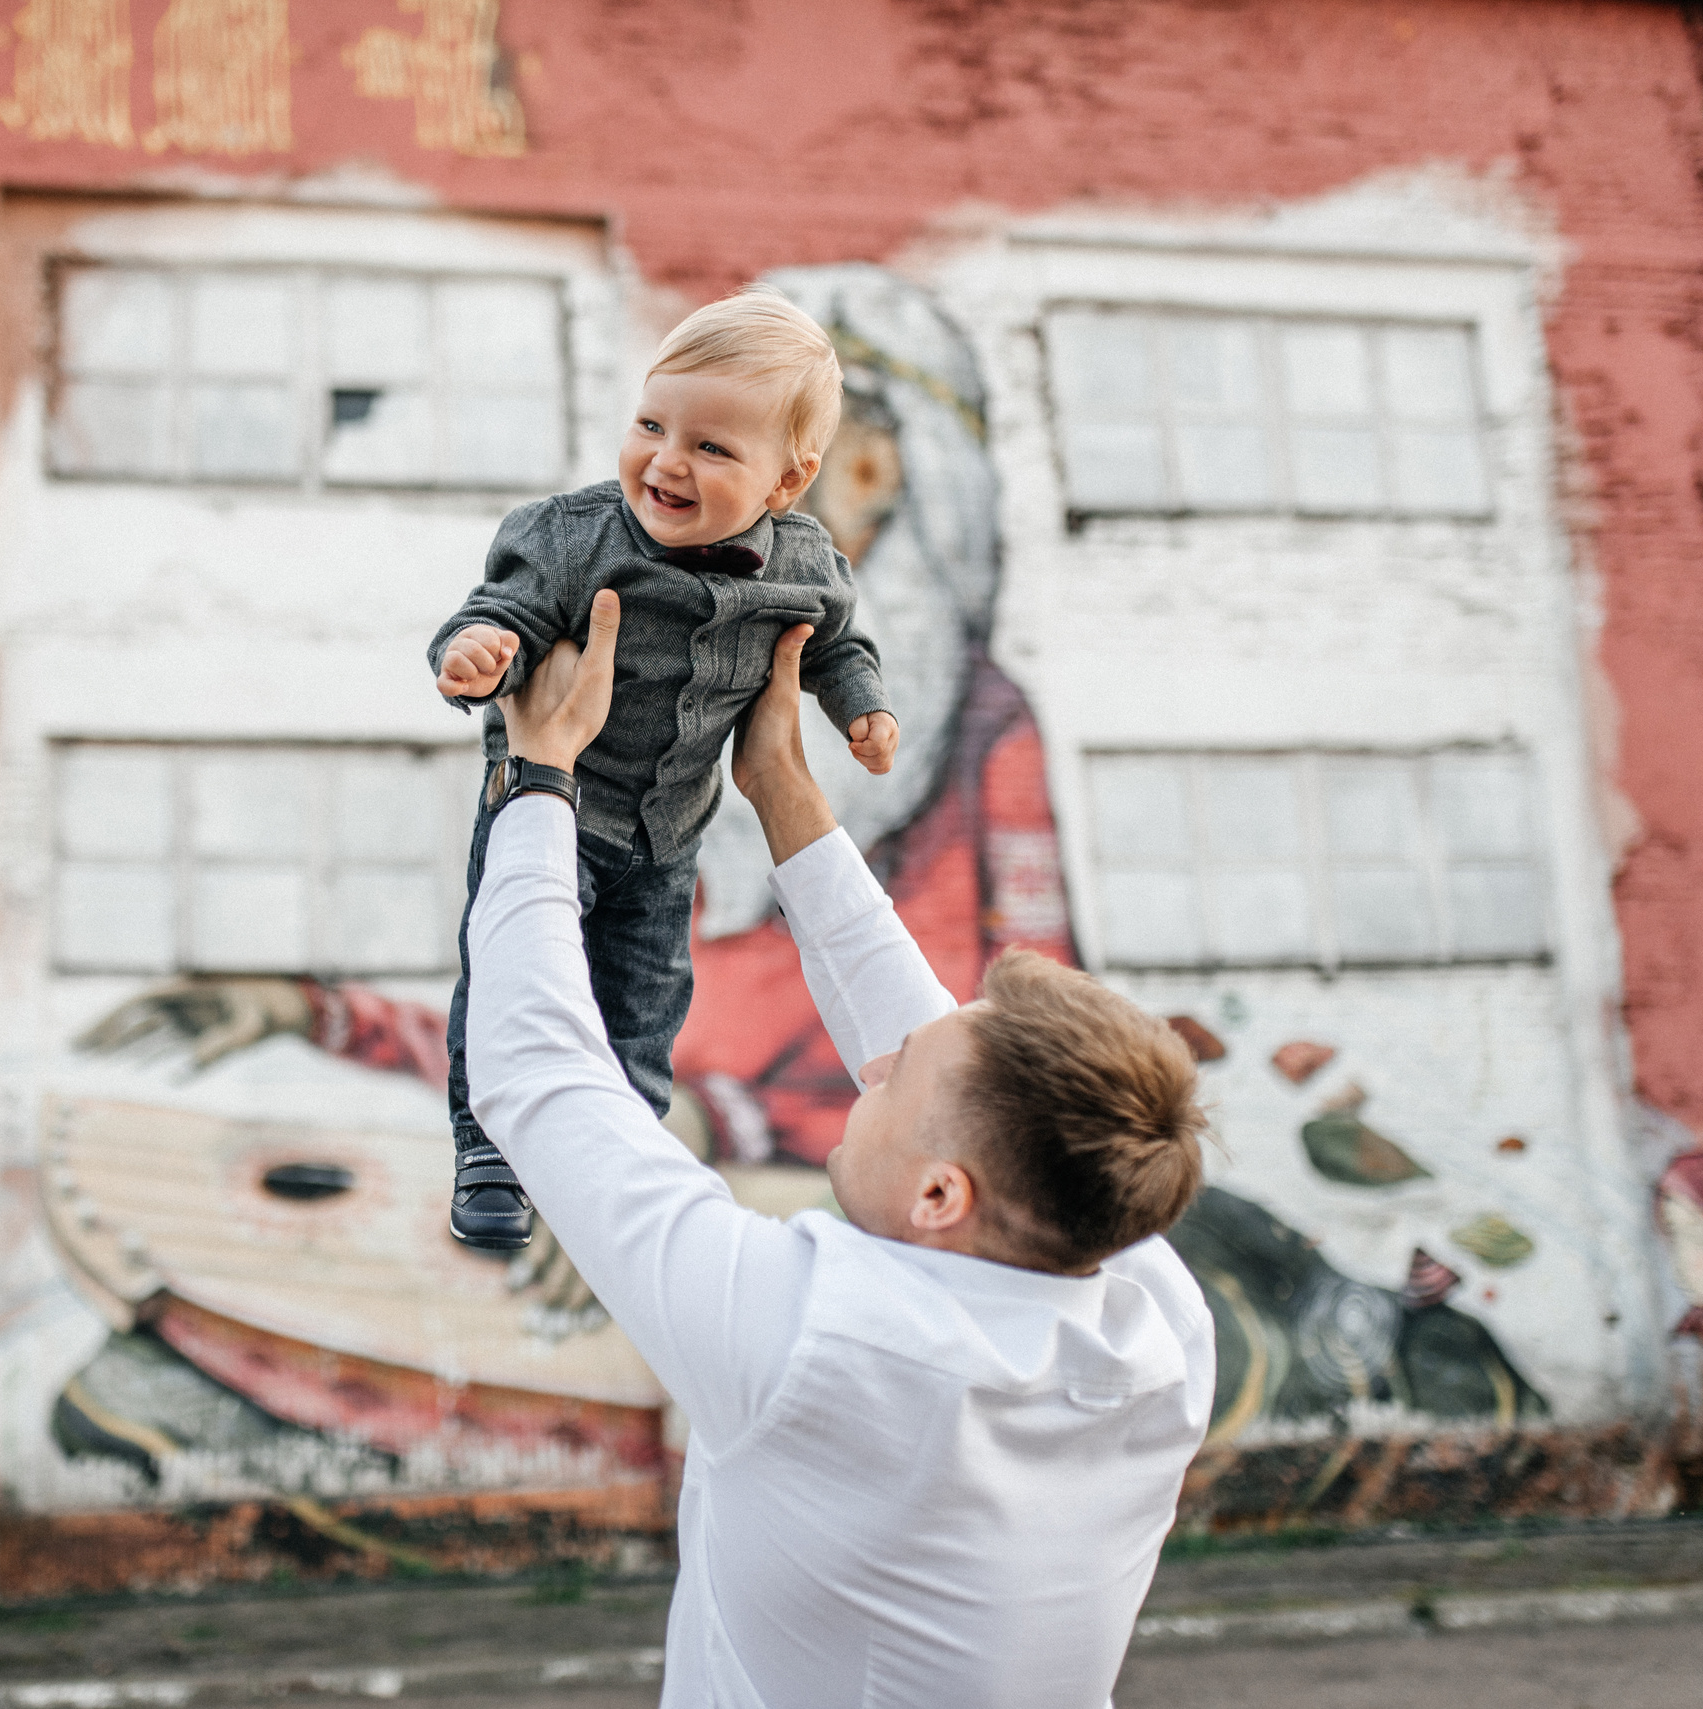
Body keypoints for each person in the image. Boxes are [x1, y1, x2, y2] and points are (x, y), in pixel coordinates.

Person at [466, 590, 1216, 1707]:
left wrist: (535, 779)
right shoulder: (1151, 1321)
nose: (868, 1065)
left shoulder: (820, 1343)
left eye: (894, 1079)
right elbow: (955, 1072)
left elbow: (538, 1071)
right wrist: (785, 795)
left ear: (938, 1195)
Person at [431, 286, 899, 1249]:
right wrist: (479, 652)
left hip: (668, 833)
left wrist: (864, 708)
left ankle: (625, 1140)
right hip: (547, 808)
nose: (666, 462)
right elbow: (502, 613)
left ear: (788, 482)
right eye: (652, 424)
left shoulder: (805, 565)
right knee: (512, 972)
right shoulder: (570, 536)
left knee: (646, 996)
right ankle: (486, 1149)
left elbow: (838, 646)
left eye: (712, 448)